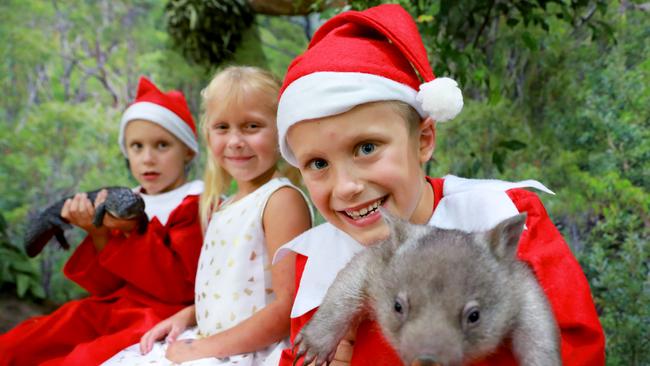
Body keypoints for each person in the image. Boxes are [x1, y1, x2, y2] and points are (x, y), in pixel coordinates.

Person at [272, 4, 605, 366]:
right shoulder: (321, 259)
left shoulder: (503, 218)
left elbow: (576, 345)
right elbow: (300, 354)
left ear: (424, 140)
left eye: (367, 148)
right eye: (318, 163)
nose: (346, 186)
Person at [103, 66, 312, 366]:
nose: (235, 141)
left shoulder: (280, 200)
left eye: (252, 126)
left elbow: (287, 308)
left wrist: (204, 349)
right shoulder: (224, 206)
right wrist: (186, 315)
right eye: (222, 127)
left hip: (252, 351)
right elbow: (226, 291)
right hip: (212, 340)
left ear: (281, 129)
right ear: (207, 133)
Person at [0, 76, 204, 366]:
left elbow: (180, 288)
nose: (147, 158)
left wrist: (132, 231)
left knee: (77, 360)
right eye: (136, 147)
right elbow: (105, 288)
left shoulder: (196, 203)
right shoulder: (123, 199)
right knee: (20, 344)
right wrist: (97, 234)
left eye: (161, 145)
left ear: (188, 150)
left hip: (158, 316)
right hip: (111, 307)